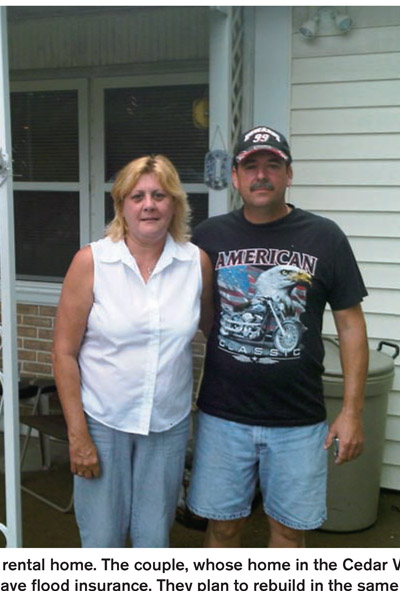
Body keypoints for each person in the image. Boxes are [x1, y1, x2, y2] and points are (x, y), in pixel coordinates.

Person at [186, 125, 369, 548]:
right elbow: (200, 314)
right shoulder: (209, 237)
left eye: (273, 165)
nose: (261, 175)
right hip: (222, 417)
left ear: (289, 174)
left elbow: (351, 325)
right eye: (251, 166)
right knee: (223, 526)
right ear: (235, 176)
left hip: (298, 421)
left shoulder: (325, 237)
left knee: (288, 531)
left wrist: (352, 411)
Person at [52, 154, 213, 547]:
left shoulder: (196, 263)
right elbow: (63, 353)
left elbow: (216, 335)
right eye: (137, 195)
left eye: (160, 195)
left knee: (153, 540)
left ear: (174, 203)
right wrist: (78, 436)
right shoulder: (92, 262)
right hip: (103, 423)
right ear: (121, 204)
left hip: (168, 425)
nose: (149, 205)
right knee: (102, 540)